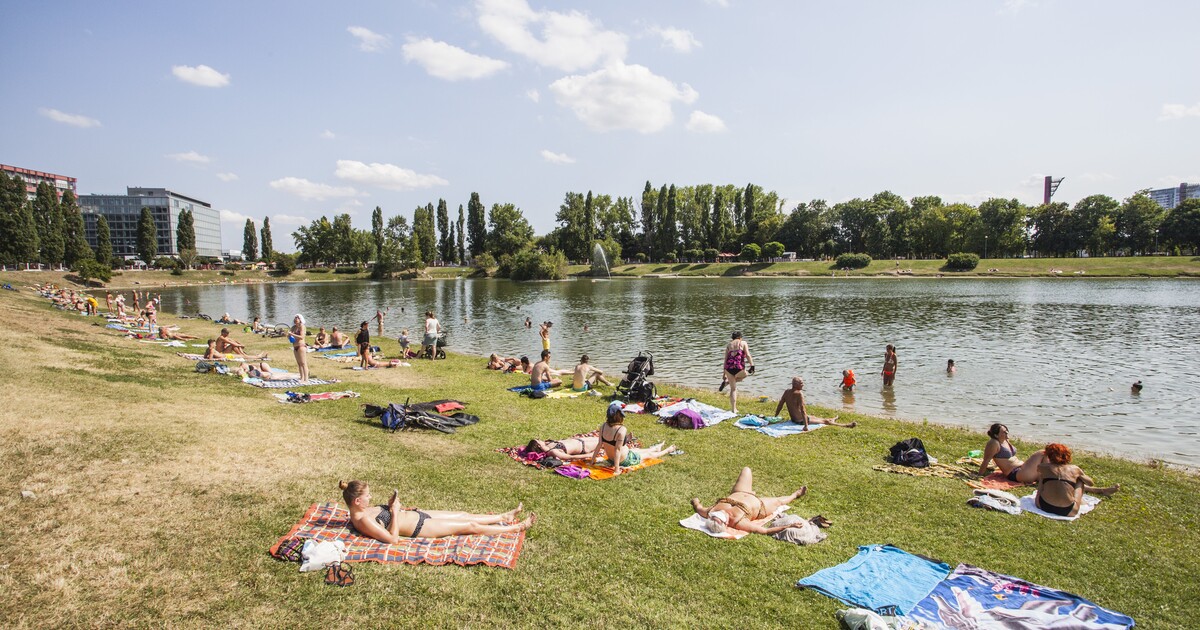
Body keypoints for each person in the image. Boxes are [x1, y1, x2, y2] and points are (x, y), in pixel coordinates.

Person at [340, 480, 535, 543]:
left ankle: (503, 517)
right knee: (469, 526)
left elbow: (387, 515)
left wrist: (394, 507)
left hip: (418, 514)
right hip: (420, 527)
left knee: (462, 515)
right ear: (357, 501)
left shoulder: (362, 510)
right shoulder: (363, 520)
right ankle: (515, 528)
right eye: (367, 496)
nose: (370, 498)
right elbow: (392, 539)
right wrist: (394, 510)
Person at [690, 467, 807, 536]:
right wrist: (789, 525)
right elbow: (765, 531)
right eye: (722, 517)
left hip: (740, 491)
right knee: (778, 502)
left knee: (746, 470)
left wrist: (695, 501)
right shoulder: (739, 522)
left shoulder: (710, 512)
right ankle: (796, 494)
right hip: (760, 505)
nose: (722, 512)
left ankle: (750, 491)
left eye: (716, 515)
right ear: (726, 524)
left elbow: (698, 507)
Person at [589, 402, 676, 476]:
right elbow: (617, 450)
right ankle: (667, 450)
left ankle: (656, 448)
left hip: (611, 458)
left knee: (637, 450)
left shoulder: (603, 426)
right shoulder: (621, 429)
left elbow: (600, 444)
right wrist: (617, 469)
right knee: (649, 454)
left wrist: (592, 461)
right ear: (619, 417)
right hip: (624, 460)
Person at [1034, 443, 1120, 517]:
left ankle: (1101, 491)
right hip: (1069, 511)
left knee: (1043, 476)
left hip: (1042, 505)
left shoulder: (1042, 467)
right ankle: (1099, 491)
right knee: (1080, 480)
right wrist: (1079, 475)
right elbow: (1090, 483)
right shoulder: (1075, 469)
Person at [776, 377, 856, 430]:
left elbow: (780, 404)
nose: (803, 384)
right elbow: (803, 410)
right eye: (801, 383)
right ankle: (846, 425)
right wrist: (806, 426)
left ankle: (832, 419)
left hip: (795, 419)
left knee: (814, 417)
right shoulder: (799, 394)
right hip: (800, 421)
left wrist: (775, 416)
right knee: (825, 422)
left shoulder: (786, 392)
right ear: (795, 385)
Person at [978, 423, 1047, 484]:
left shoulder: (1006, 440)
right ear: (996, 435)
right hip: (1015, 473)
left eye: (1007, 431)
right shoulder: (994, 443)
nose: (1007, 433)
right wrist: (979, 475)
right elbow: (986, 460)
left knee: (1049, 473)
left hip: (1023, 468)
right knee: (1043, 453)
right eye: (1004, 432)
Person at [720, 331, 755, 414]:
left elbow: (725, 360)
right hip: (738, 368)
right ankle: (728, 382)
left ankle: (733, 409)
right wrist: (752, 365)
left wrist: (724, 373)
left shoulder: (729, 345)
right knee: (745, 374)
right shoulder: (743, 343)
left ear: (732, 338)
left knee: (733, 389)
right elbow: (748, 355)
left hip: (728, 368)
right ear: (740, 337)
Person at [522, 435, 602, 462]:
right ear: (539, 446)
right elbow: (571, 457)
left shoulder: (548, 444)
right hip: (584, 447)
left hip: (581, 440)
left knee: (602, 437)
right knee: (605, 441)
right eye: (539, 440)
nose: (541, 439)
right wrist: (590, 455)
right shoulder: (552, 452)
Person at [291, 314, 309, 383]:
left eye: (297, 318)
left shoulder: (302, 326)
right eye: (295, 318)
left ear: (300, 319)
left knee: (303, 363)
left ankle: (306, 379)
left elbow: (301, 337)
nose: (295, 320)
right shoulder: (293, 327)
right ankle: (301, 377)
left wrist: (292, 334)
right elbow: (290, 336)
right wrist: (289, 335)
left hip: (301, 346)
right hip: (295, 346)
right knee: (299, 363)